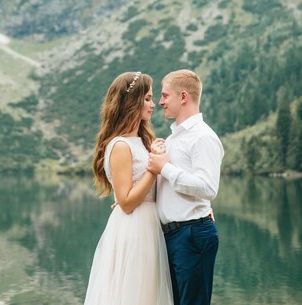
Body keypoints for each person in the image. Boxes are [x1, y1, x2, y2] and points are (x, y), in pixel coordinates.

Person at [84, 71, 174, 305]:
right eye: (147, 99)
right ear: (131, 102)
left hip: (151, 224)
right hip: (135, 228)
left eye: (152, 98)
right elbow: (126, 201)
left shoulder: (142, 142)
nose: (153, 105)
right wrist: (153, 169)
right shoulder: (121, 145)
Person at [147, 69, 223, 305]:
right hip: (172, 236)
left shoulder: (203, 137)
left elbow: (208, 188)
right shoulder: (171, 140)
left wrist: (165, 167)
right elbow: (166, 187)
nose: (160, 102)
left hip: (192, 235)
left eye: (164, 95)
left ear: (183, 97)